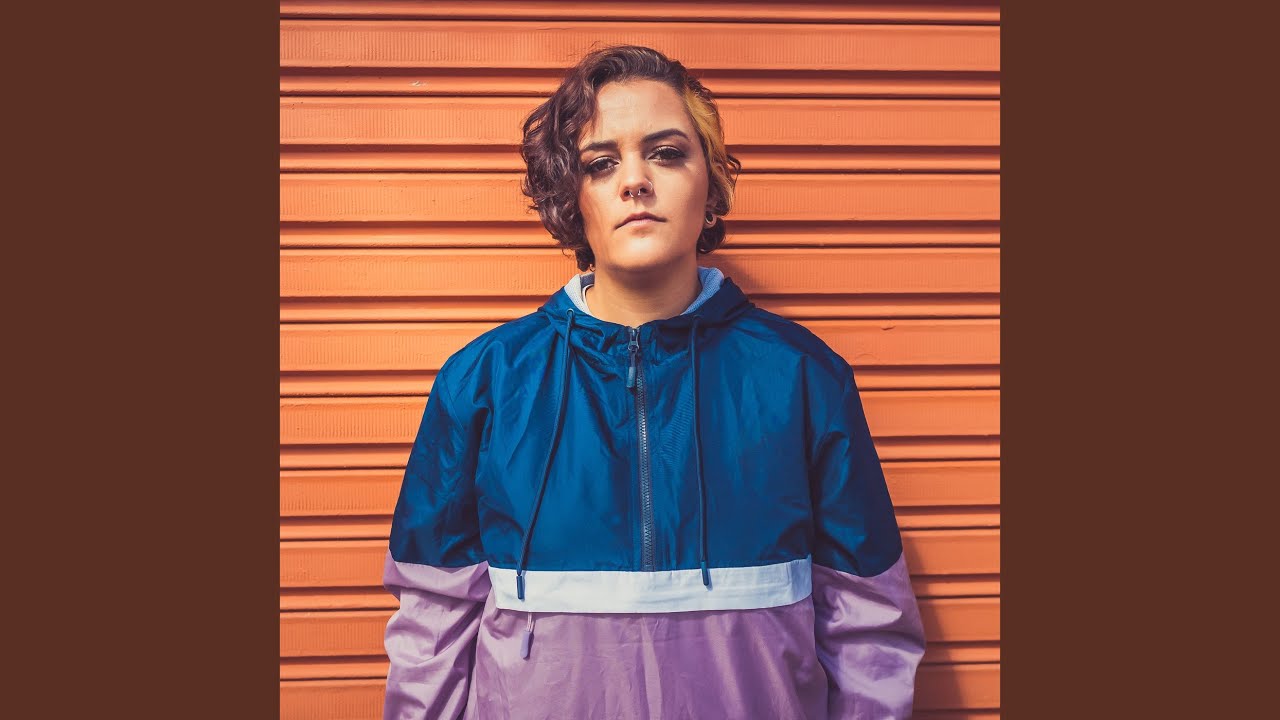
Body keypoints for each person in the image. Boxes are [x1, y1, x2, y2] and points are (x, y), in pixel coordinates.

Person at [381, 44, 926, 720]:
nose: (635, 181)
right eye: (600, 163)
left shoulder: (804, 378)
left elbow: (869, 629)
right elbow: (432, 626)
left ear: (711, 184)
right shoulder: (484, 381)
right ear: (570, 196)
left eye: (666, 153)